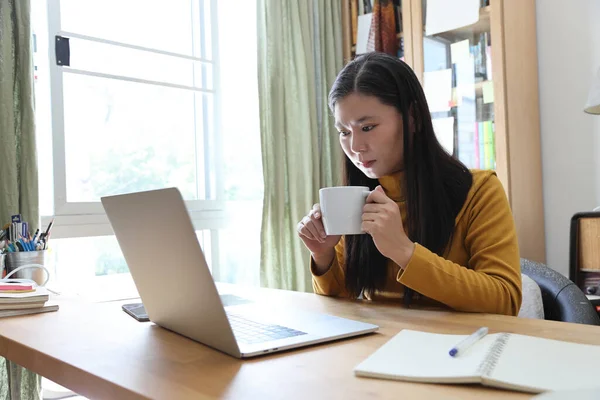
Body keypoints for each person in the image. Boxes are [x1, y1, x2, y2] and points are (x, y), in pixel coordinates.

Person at [296, 52, 522, 316]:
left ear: (412, 117)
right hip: (382, 346)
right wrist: (323, 256)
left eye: (367, 127)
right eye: (344, 132)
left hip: (457, 349)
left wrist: (404, 251)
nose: (355, 147)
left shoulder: (480, 191)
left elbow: (505, 301)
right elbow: (342, 302)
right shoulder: (356, 197)